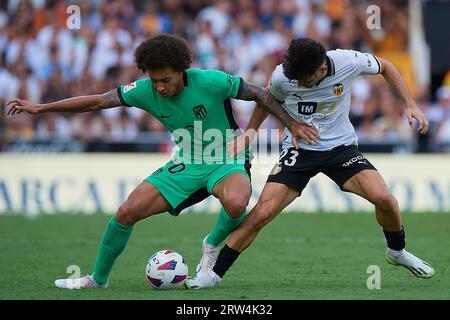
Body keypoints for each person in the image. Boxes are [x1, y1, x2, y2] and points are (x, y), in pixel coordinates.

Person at [7, 34, 309, 289]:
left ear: (181, 70)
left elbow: (261, 93)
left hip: (227, 157)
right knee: (126, 212)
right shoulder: (144, 91)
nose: (160, 87)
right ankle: (97, 280)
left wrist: (271, 128)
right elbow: (99, 100)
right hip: (187, 162)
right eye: (154, 80)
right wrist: (41, 108)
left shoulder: (211, 81)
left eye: (165, 79)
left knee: (236, 202)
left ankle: (212, 243)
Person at [185, 38, 435, 289]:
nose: (297, 84)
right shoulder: (284, 75)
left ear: (322, 70)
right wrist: (249, 135)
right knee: (261, 214)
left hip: (341, 149)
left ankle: (396, 252)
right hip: (299, 150)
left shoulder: (348, 61)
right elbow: (266, 99)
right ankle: (213, 274)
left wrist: (410, 105)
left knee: (386, 200)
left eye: (303, 81)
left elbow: (387, 67)